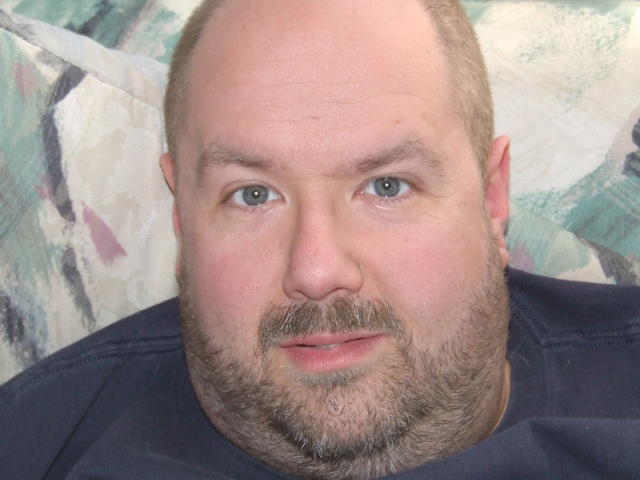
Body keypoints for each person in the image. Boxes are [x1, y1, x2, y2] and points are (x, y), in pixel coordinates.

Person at [1, 0, 640, 479]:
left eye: (387, 186)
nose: (315, 270)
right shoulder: (39, 445)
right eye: (253, 195)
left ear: (492, 198)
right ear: (182, 217)